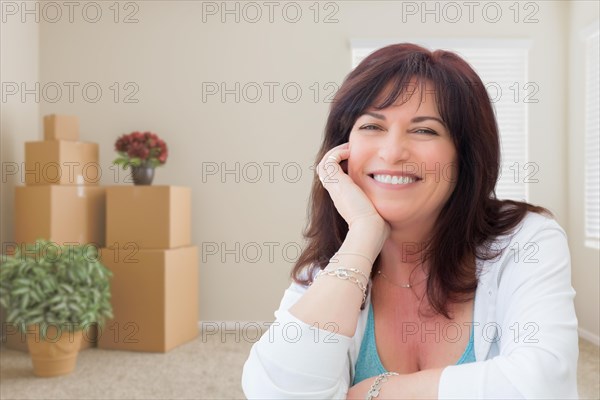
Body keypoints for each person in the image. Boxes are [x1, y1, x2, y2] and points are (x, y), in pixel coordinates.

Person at [241, 43, 579, 399]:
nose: (392, 152)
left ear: (464, 156)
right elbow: (275, 392)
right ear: (343, 149)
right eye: (372, 125)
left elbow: (544, 385)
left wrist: (376, 392)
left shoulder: (525, 240)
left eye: (424, 131)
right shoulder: (335, 267)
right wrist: (363, 237)